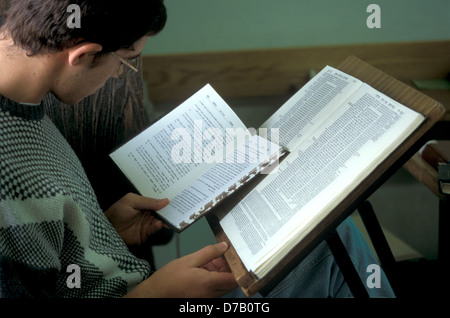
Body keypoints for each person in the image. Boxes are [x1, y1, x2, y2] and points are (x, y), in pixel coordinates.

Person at [0, 0, 394, 298]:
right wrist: (156, 294)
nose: (121, 74)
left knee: (329, 234)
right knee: (332, 248)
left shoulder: (27, 109)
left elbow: (48, 247)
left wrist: (108, 230)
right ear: (83, 55)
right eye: (127, 61)